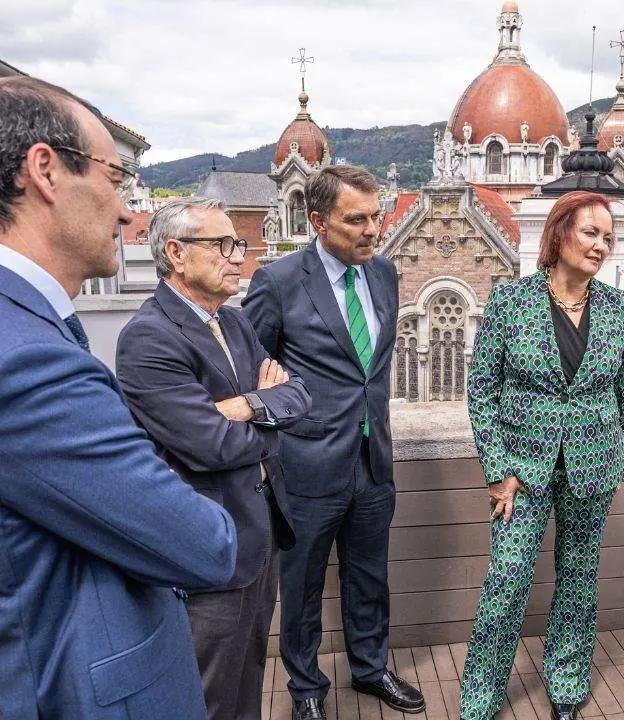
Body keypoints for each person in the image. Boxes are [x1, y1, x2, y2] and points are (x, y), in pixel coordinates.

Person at [0, 77, 237, 719]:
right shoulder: (26, 363)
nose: (124, 210)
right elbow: (206, 544)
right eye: (116, 179)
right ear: (45, 171)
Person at [116, 198, 311, 720]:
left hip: (260, 532)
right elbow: (212, 445)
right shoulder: (148, 337)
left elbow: (298, 395)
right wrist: (266, 413)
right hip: (209, 549)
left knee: (248, 671)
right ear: (176, 253)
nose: (238, 257)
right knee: (207, 693)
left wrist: (245, 405)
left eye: (238, 245)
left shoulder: (234, 321)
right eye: (222, 245)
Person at [243, 165, 425, 720]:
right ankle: (305, 691)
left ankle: (370, 670)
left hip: (374, 460)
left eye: (377, 217)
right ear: (319, 222)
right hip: (306, 464)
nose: (372, 230)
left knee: (370, 576)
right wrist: (280, 445)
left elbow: (371, 372)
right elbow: (255, 370)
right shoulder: (277, 281)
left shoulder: (386, 274)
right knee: (300, 586)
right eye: (356, 220)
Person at [459, 191, 624, 720]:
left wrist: (609, 456)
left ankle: (566, 687)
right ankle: (480, 699)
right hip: (521, 472)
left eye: (608, 237)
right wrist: (498, 470)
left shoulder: (619, 308)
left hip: (593, 469)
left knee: (580, 578)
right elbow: (482, 390)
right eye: (590, 233)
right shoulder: (510, 302)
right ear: (559, 234)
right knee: (508, 579)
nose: (601, 246)